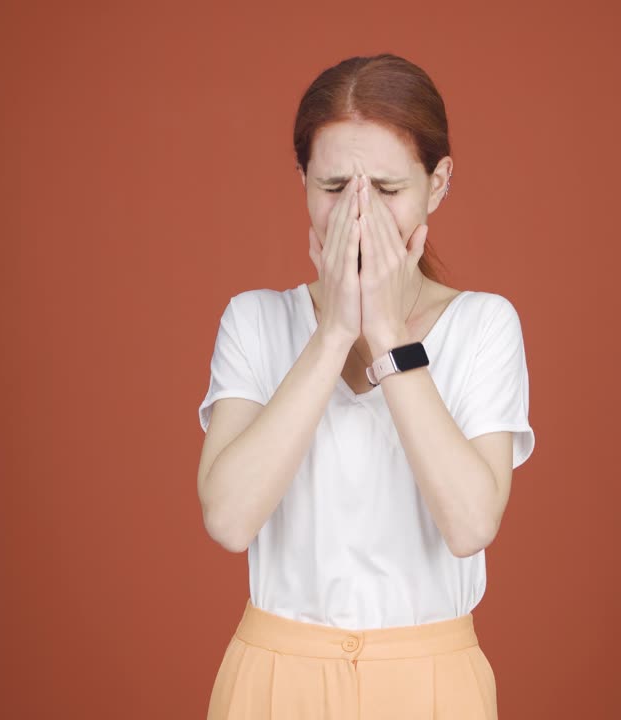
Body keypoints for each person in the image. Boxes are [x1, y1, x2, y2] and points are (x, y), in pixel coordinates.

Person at [197, 53, 535, 720]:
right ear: (301, 181)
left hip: (432, 686)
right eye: (333, 187)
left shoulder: (485, 325)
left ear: (437, 184)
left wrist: (386, 334)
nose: (359, 216)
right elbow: (229, 520)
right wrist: (331, 336)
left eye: (386, 188)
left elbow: (471, 525)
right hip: (274, 685)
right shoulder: (255, 320)